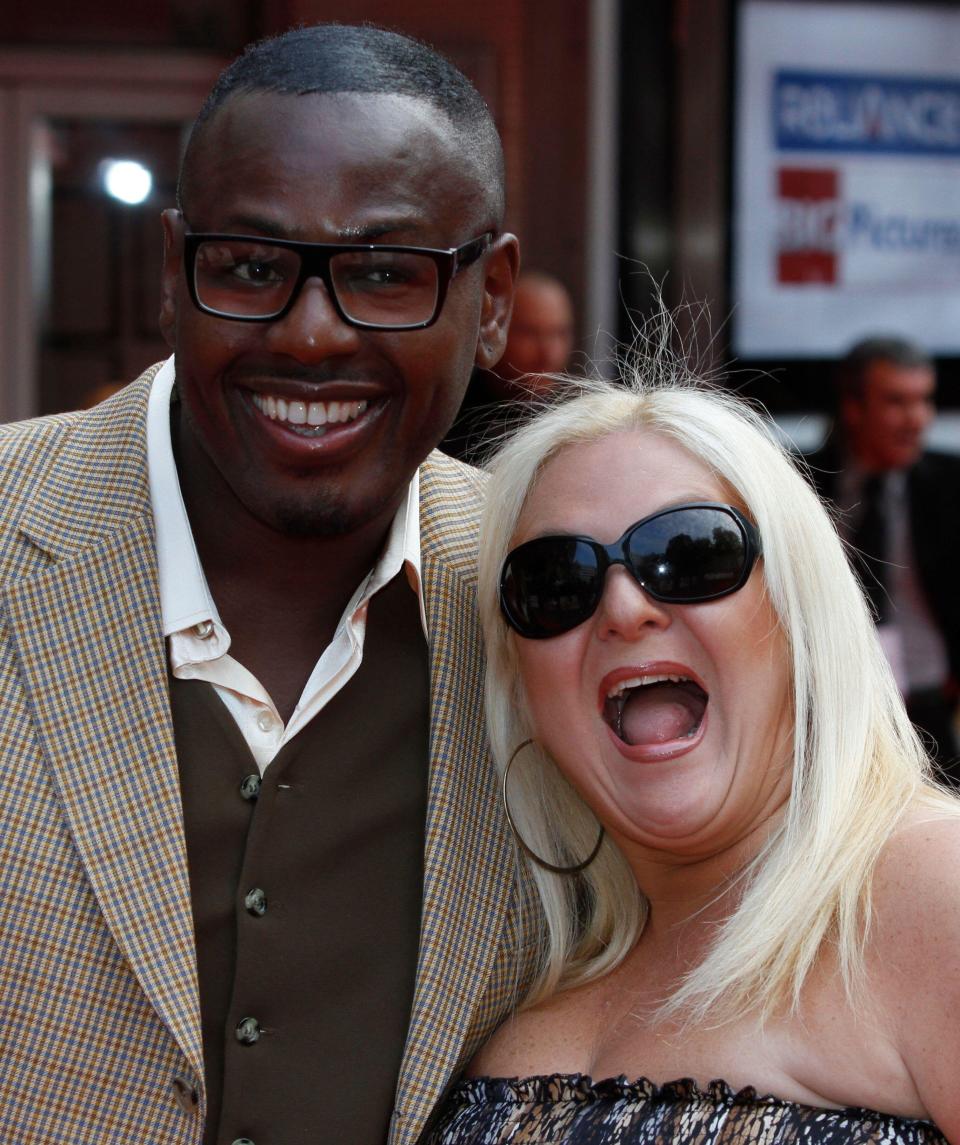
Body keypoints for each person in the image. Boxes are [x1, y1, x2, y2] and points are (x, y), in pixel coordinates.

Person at [0, 24, 541, 1145]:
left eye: (386, 274)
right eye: (249, 267)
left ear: (491, 300)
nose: (308, 336)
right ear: (172, 275)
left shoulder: (555, 594)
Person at [425, 364, 960, 1143]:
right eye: (555, 581)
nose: (624, 607)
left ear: (798, 613)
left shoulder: (930, 890)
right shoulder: (513, 968)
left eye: (692, 552)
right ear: (522, 685)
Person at [806, 337, 960, 782]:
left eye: (924, 401)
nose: (917, 420)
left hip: (930, 703)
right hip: (832, 708)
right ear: (852, 408)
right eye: (896, 402)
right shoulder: (801, 482)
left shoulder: (951, 485)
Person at [440, 269, 575, 465]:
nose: (548, 353)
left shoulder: (575, 420)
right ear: (495, 330)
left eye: (559, 334)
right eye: (530, 333)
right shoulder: (451, 422)